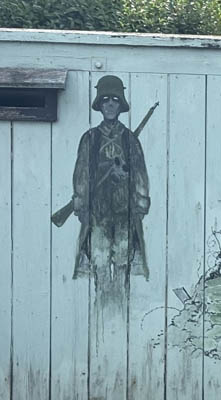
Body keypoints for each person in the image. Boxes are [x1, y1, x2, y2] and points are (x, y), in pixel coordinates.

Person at [72, 75, 150, 293]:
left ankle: (120, 309)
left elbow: (140, 174)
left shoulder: (129, 139)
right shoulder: (90, 138)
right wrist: (80, 200)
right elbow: (81, 172)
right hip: (98, 212)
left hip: (124, 211)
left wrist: (141, 202)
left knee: (123, 261)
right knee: (100, 261)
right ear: (99, 104)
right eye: (105, 99)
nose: (109, 104)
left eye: (114, 100)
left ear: (120, 104)